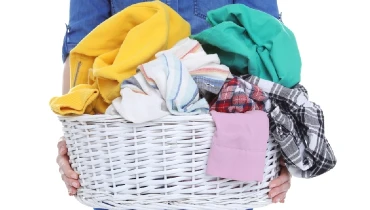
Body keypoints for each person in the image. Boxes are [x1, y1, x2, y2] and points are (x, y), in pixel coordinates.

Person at [56, 1, 292, 209]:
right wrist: (73, 139)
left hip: (225, 174)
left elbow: (271, 45)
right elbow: (81, 51)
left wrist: (284, 150)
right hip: (125, 167)